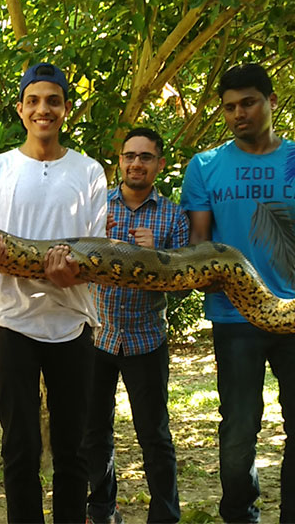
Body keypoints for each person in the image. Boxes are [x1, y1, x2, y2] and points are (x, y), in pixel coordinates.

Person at [180, 63, 295, 524]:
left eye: (249, 103)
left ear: (271, 101)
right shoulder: (205, 167)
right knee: (239, 431)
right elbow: (202, 247)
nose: (239, 114)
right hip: (234, 316)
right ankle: (240, 516)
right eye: (229, 108)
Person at [0, 62, 108, 524]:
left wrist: (72, 275)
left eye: (53, 100)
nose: (43, 109)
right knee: (20, 447)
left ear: (66, 109)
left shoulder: (89, 172)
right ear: (21, 109)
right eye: (34, 100)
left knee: (73, 448)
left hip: (72, 321)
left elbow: (98, 258)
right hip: (10, 321)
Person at [83, 128, 188, 524]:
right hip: (98, 337)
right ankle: (102, 511)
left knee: (155, 436)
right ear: (120, 162)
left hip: (147, 340)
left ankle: (165, 515)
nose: (136, 163)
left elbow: (182, 289)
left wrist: (156, 257)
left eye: (145, 157)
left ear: (159, 164)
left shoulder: (174, 216)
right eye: (129, 156)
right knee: (94, 434)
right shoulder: (96, 208)